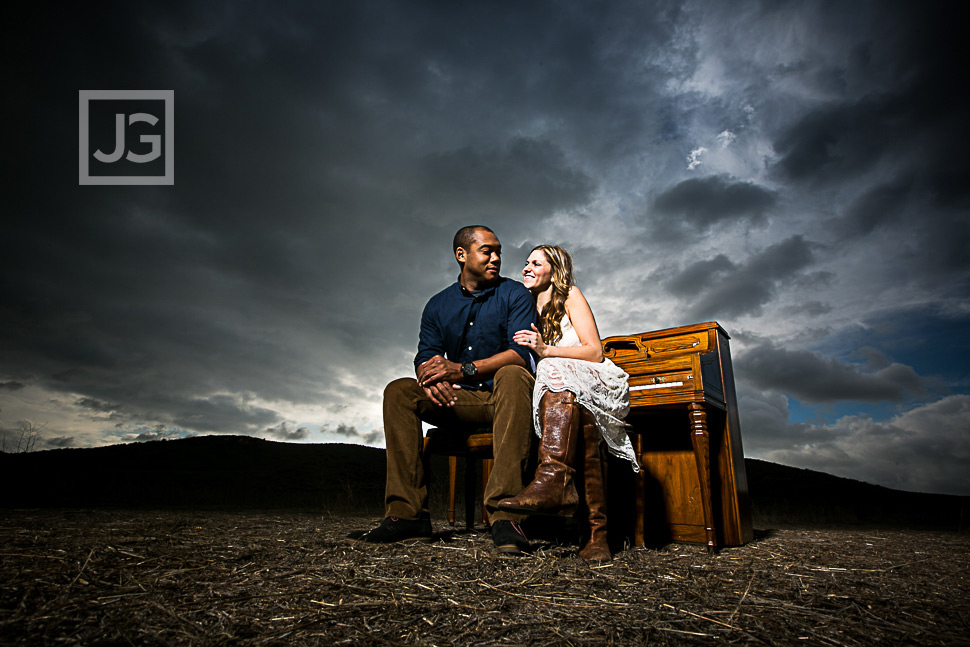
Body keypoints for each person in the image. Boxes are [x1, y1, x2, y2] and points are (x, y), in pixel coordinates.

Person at [350, 225, 538, 554]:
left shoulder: (515, 294)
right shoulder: (437, 305)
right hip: (458, 401)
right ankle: (407, 516)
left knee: (512, 372)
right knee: (399, 391)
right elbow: (426, 355)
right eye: (487, 251)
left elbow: (522, 352)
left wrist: (461, 369)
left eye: (499, 252)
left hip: (503, 399)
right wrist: (432, 377)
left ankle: (506, 516)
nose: (496, 258)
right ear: (461, 255)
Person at [499, 245, 636, 561]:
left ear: (554, 269)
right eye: (526, 262)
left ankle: (554, 478)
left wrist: (546, 351)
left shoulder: (570, 295)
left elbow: (595, 351)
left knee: (551, 367)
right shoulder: (525, 306)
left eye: (536, 262)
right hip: (561, 394)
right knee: (584, 423)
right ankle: (595, 534)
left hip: (594, 376)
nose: (527, 267)